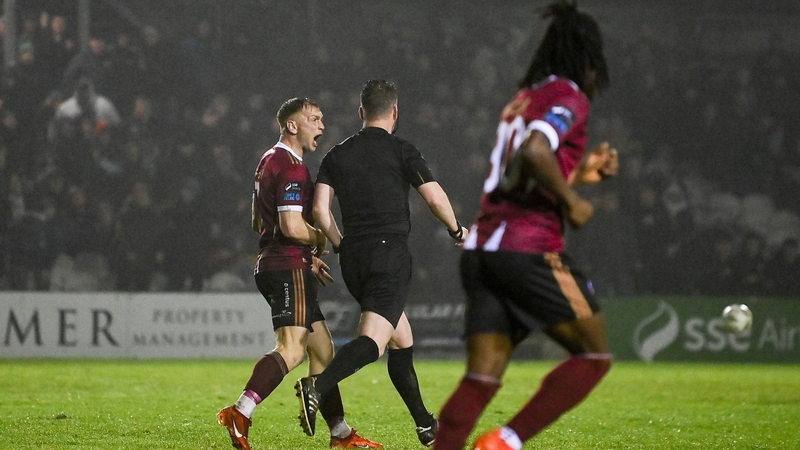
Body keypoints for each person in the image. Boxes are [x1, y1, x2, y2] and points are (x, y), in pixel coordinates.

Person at [432, 2, 619, 449]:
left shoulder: (523, 100)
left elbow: (518, 172)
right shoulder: (568, 96)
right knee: (594, 355)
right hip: (527, 247)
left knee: (481, 378)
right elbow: (535, 153)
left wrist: (577, 176)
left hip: (483, 250)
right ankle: (506, 442)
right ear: (589, 61)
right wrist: (573, 201)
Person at [296, 79, 469, 447]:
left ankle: (425, 423)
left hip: (354, 259)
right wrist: (456, 230)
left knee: (401, 339)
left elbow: (319, 211)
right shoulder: (402, 150)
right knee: (373, 343)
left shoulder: (336, 155)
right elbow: (434, 198)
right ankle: (317, 385)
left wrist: (341, 244)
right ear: (394, 112)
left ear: (361, 113)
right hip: (388, 254)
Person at [217, 97, 382, 450]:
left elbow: (257, 221)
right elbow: (292, 225)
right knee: (292, 350)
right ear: (292, 125)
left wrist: (306, 254)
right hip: (287, 265)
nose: (321, 126)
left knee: (322, 351)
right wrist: (320, 238)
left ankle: (341, 434)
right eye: (314, 119)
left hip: (279, 263)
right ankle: (240, 411)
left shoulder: (266, 160)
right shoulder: (292, 167)